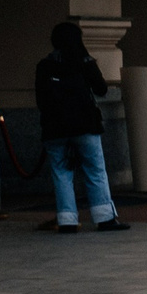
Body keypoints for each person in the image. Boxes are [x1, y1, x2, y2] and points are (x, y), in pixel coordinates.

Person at [33, 21, 126, 233]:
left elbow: (41, 100)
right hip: (85, 125)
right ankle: (104, 218)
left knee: (61, 172)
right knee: (95, 169)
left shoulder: (45, 65)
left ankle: (67, 220)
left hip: (55, 127)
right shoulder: (84, 61)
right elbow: (101, 89)